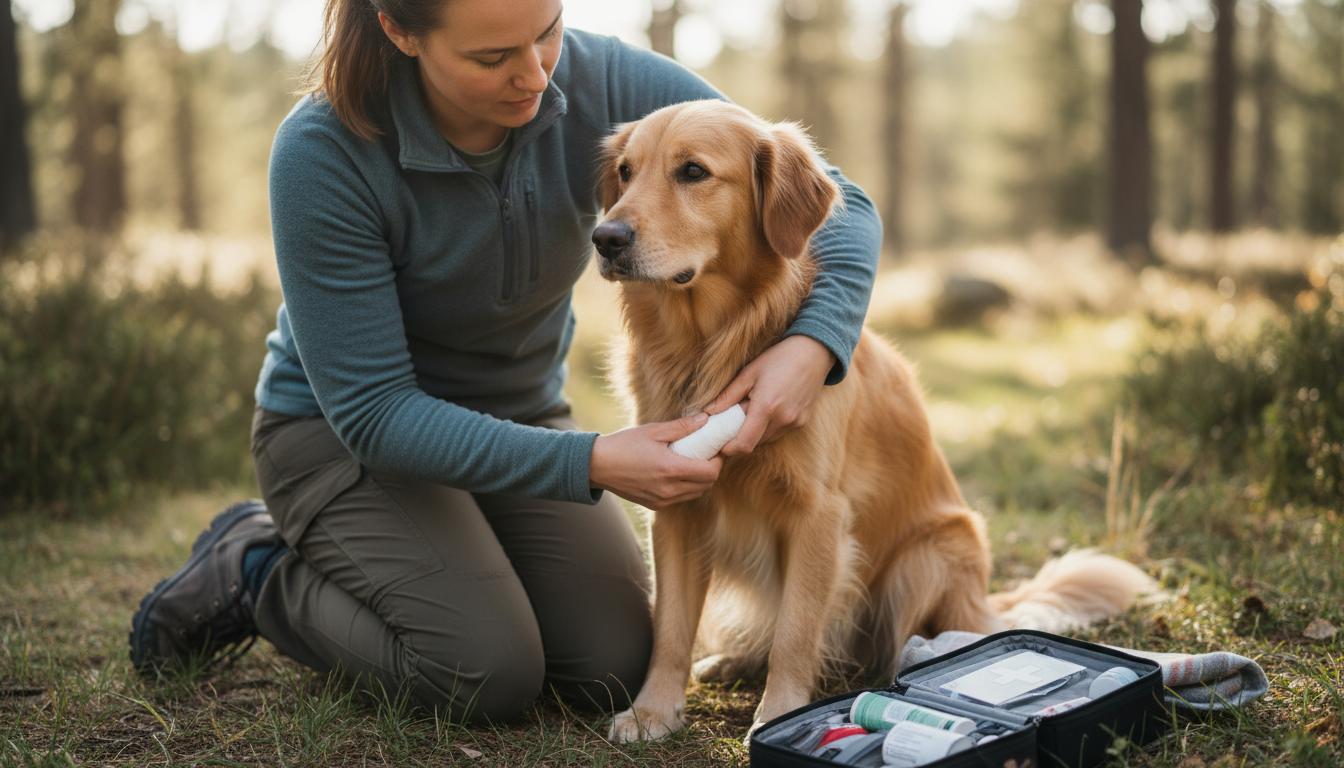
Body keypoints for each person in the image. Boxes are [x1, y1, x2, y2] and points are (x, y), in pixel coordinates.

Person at [128, 0, 882, 724]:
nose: (535, 75)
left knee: (615, 664)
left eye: (547, 32)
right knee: (481, 669)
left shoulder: (603, 77)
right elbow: (375, 413)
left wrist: (812, 347)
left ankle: (467, 556)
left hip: (519, 417)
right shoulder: (322, 150)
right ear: (401, 32)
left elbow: (839, 201)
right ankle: (255, 567)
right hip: (344, 440)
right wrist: (588, 463)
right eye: (492, 56)